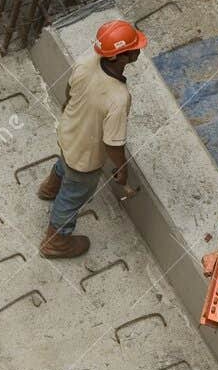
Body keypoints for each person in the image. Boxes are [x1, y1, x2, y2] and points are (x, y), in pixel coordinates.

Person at [37, 18, 147, 259]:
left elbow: (69, 92)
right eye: (133, 48)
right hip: (85, 157)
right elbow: (112, 143)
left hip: (68, 133)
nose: (138, 49)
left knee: (65, 162)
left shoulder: (86, 62)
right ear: (120, 57)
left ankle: (49, 188)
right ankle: (56, 242)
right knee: (73, 195)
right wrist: (122, 167)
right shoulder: (118, 97)